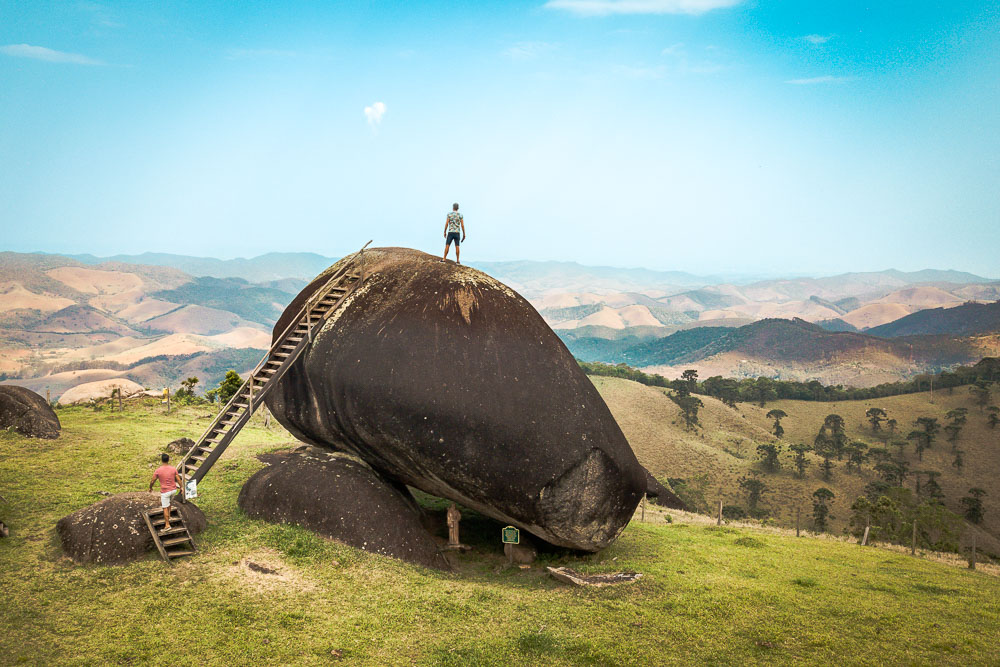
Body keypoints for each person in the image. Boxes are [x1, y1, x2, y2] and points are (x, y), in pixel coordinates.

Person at [149, 453, 182, 531]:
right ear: (168, 460)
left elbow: (153, 480)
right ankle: (169, 516)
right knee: (169, 503)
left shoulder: (158, 470)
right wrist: (181, 487)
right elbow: (178, 479)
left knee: (165, 507)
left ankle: (167, 525)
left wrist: (150, 487)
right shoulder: (173, 469)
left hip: (165, 492)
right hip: (173, 490)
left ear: (161, 460)